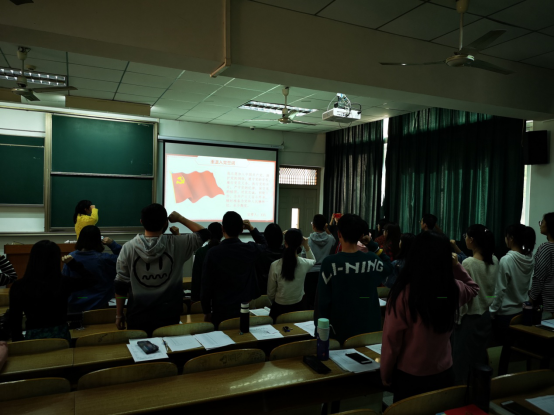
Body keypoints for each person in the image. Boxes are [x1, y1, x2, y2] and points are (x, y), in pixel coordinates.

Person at [381, 232, 479, 402]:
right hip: (444, 373)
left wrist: (385, 373)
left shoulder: (403, 293)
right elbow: (473, 288)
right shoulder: (451, 289)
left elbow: (392, 341)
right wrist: (456, 266)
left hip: (410, 377)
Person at [114, 205, 209, 336]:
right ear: (165, 223)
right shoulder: (178, 243)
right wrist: (180, 218)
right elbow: (205, 233)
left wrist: (119, 315)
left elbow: (120, 285)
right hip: (169, 314)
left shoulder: (128, 248)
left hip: (138, 314)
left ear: (141, 222)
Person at [315, 214, 394, 344]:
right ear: (361, 236)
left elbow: (322, 300)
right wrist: (373, 246)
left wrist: (319, 330)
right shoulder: (372, 259)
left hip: (340, 331)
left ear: (339, 234)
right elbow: (389, 267)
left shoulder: (330, 263)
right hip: (369, 331)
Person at [9, 241, 99, 342]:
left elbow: (15, 319)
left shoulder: (18, 286)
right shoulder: (64, 282)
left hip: (34, 339)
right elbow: (92, 280)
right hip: (61, 338)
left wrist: (19, 344)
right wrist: (72, 264)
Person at [450, 225, 498, 384]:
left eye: (466, 236)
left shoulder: (469, 263)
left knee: (461, 362)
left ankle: (461, 393)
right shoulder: (494, 260)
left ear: (471, 240)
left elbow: (461, 294)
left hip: (468, 319)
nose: (464, 239)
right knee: (479, 358)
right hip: (485, 316)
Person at [201, 212, 266, 328]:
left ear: (222, 229)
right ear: (241, 230)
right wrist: (251, 229)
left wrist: (206, 311)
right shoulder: (250, 249)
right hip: (243, 309)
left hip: (220, 311)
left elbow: (206, 285)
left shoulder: (212, 253)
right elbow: (265, 245)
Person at [490, 224, 535, 375]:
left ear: (511, 238)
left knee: (501, 349)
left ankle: (499, 377)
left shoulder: (506, 260)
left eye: (506, 236)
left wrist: (491, 312)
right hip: (521, 313)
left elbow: (500, 290)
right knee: (511, 350)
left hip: (505, 315)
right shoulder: (529, 258)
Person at [63, 225, 122, 313]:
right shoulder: (104, 259)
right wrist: (112, 244)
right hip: (99, 306)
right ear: (98, 241)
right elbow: (125, 259)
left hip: (74, 307)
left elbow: (64, 282)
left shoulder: (70, 258)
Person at [268, 229, 316, 321]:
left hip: (279, 309)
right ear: (300, 244)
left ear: (285, 243)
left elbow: (270, 293)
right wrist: (306, 246)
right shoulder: (304, 263)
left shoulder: (275, 265)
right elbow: (313, 260)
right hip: (299, 308)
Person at [303, 215, 335, 309]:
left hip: (310, 273)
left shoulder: (307, 241)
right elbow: (333, 239)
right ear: (325, 226)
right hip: (325, 273)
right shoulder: (331, 239)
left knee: (310, 299)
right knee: (322, 299)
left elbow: (303, 257)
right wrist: (326, 229)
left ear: (313, 226)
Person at [191, 222, 223, 302]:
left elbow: (196, 279)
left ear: (209, 235)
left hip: (205, 298)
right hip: (224, 297)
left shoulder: (201, 252)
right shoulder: (227, 251)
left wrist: (194, 300)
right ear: (222, 234)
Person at [530, 213, 554, 315]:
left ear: (549, 225)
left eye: (542, 222)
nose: (540, 225)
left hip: (548, 304)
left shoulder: (546, 248)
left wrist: (531, 299)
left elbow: (539, 278)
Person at [255, 223, 285, 295]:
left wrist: (252, 229)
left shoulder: (260, 252)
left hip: (263, 291)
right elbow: (297, 247)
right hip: (281, 290)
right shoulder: (286, 251)